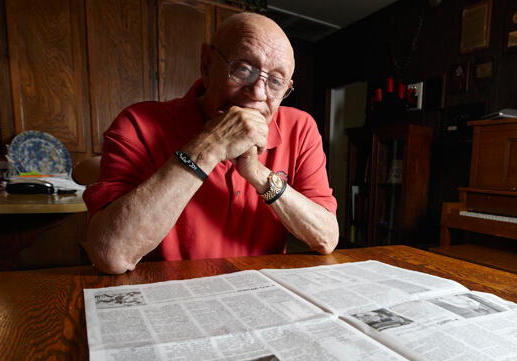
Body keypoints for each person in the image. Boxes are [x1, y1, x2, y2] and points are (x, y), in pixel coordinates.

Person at [82, 12, 338, 274]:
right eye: (243, 69)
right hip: (170, 296)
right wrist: (211, 146)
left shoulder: (301, 127)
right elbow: (111, 254)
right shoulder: (137, 123)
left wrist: (258, 174)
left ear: (286, 89)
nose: (258, 93)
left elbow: (326, 237)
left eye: (274, 81)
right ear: (206, 65)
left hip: (262, 296)